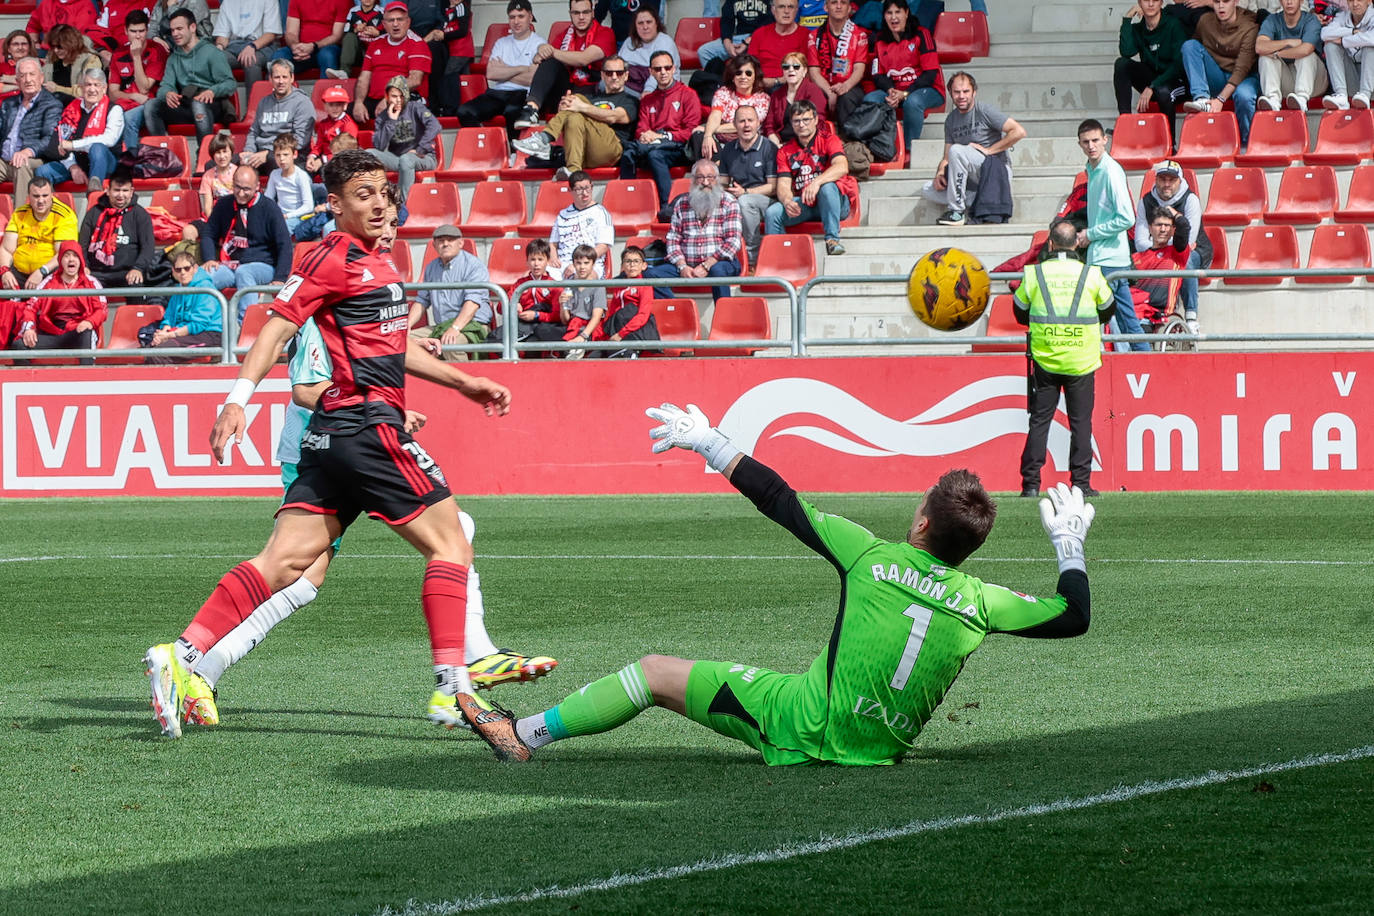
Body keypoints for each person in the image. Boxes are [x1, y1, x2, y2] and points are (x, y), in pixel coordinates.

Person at [461, 401, 1096, 765]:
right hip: (878, 749)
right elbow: (1073, 616)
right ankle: (524, 734)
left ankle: (524, 734)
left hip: (802, 725)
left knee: (654, 671)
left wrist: (711, 443)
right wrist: (1069, 547)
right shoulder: (984, 602)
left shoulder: (870, 556)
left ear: (922, 520)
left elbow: (780, 500)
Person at [143, 148, 515, 742]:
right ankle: (454, 686)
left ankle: (182, 655)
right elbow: (277, 326)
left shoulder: (380, 264)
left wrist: (466, 382)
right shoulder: (332, 259)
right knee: (451, 543)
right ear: (335, 205)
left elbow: (396, 347)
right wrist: (237, 399)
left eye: (382, 193)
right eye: (361, 194)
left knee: (284, 562)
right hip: (367, 429)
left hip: (332, 440)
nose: (376, 204)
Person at [1015, 219, 1117, 497]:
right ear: (1076, 244)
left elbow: (1020, 311)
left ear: (1050, 244)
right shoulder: (1091, 275)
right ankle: (1081, 484)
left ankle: (1031, 485)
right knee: (1081, 423)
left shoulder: (1035, 275)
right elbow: (1108, 309)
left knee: (1039, 421)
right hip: (1081, 360)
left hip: (1046, 358)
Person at [1076, 118, 1149, 353]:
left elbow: (1127, 218)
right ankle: (1145, 360)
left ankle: (1105, 365)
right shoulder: (1095, 170)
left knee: (1094, 318)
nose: (1091, 146)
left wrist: (1091, 234)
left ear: (1105, 140)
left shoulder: (1109, 171)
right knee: (1126, 319)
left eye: (1095, 140)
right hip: (1105, 258)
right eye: (1086, 142)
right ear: (1079, 144)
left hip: (1107, 260)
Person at [921, 71, 1026, 228]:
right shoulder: (950, 120)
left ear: (974, 92)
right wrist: (940, 174)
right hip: (972, 177)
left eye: (966, 91)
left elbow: (1019, 131)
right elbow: (946, 158)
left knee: (957, 150)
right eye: (957, 92)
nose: (961, 96)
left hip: (994, 170)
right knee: (927, 189)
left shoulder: (984, 110)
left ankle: (956, 212)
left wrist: (989, 150)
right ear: (950, 93)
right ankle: (979, 201)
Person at [511, 54, 638, 177]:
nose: (614, 77)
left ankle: (544, 138)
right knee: (573, 115)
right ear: (602, 75)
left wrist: (581, 106)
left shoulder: (630, 100)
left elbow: (614, 117)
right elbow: (573, 113)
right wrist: (564, 109)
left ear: (626, 76)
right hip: (583, 152)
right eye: (609, 73)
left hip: (610, 151)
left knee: (577, 98)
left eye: (619, 73)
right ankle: (573, 170)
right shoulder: (591, 97)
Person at [766, 99, 858, 256]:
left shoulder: (829, 139)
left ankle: (832, 240)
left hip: (835, 202)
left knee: (827, 187)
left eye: (806, 120)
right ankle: (779, 258)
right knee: (773, 213)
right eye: (796, 121)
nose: (801, 125)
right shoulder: (785, 151)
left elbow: (842, 167)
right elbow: (783, 185)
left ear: (815, 120)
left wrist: (816, 183)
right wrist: (787, 201)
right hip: (807, 204)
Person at [200, 164, 294, 315]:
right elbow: (208, 234)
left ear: (257, 186)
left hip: (263, 265)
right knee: (200, 277)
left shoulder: (269, 208)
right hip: (230, 264)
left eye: (246, 189)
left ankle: (246, 325)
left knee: (244, 272)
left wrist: (280, 278)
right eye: (237, 187)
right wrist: (209, 258)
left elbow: (284, 245)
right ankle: (208, 324)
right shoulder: (224, 204)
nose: (241, 193)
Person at [619, 51, 701, 221]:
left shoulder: (688, 94)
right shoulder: (648, 100)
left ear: (674, 69)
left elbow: (690, 131)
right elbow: (641, 129)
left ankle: (667, 205)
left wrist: (661, 136)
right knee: (629, 154)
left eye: (667, 67)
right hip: (652, 146)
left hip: (679, 148)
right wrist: (645, 136)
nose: (663, 72)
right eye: (658, 68)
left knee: (653, 155)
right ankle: (626, 204)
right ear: (651, 72)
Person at [645, 158, 742, 302]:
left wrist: (707, 264)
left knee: (718, 271)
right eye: (700, 177)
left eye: (710, 177)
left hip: (719, 263)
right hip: (687, 264)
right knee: (649, 275)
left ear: (717, 179)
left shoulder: (729, 202)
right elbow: (673, 239)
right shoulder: (682, 204)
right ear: (693, 180)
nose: (705, 182)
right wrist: (682, 266)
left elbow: (733, 241)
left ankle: (724, 317)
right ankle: (678, 310)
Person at [510, 0, 618, 129]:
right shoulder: (564, 35)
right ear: (570, 14)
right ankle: (531, 109)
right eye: (576, 13)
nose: (581, 17)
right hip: (566, 88)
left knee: (552, 57)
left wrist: (550, 51)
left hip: (593, 92)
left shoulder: (605, 33)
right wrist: (542, 49)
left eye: (585, 12)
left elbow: (584, 58)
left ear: (593, 13)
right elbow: (540, 59)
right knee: (550, 62)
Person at [1133, 159, 1210, 333]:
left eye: (1171, 180)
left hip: (1196, 252)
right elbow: (1140, 242)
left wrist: (1158, 243)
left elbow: (1187, 241)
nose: (1166, 184)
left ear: (1180, 180)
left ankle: (1191, 316)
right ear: (1156, 180)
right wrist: (1162, 247)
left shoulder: (1190, 200)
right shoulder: (1145, 202)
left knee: (1186, 259)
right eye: (1162, 179)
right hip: (1156, 251)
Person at [145, 8, 238, 143]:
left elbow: (230, 84)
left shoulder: (212, 53)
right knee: (151, 106)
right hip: (186, 104)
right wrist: (167, 93)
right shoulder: (173, 58)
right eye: (172, 30)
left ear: (193, 27)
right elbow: (165, 86)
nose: (175, 34)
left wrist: (212, 91)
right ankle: (163, 154)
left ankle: (204, 155)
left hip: (211, 105)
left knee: (198, 104)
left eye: (179, 29)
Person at [10, 240, 106, 363]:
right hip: (52, 333)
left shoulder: (92, 282)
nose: (71, 259)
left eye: (75, 256)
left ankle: (86, 378)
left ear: (81, 260)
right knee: (18, 346)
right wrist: (29, 328)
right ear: (60, 260)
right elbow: (30, 307)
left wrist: (89, 322)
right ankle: (31, 380)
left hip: (79, 331)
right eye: (67, 256)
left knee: (87, 334)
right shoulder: (48, 282)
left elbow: (102, 310)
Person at [865, 0, 944, 146]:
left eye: (898, 12)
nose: (893, 17)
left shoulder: (922, 34)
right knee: (871, 99)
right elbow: (877, 75)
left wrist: (905, 93)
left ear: (906, 13)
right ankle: (879, 149)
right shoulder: (880, 39)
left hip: (927, 90)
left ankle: (909, 149)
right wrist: (890, 91)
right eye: (889, 13)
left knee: (912, 102)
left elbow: (930, 73)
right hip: (895, 91)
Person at [1181, 0, 1260, 143]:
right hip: (1218, 74)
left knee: (1244, 96)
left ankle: (1245, 144)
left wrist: (1220, 99)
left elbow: (1241, 70)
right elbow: (1194, 52)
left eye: (1226, 1)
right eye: (1217, 2)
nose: (1221, 6)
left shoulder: (1249, 27)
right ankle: (1201, 98)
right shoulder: (1205, 21)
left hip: (1244, 78)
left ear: (1235, 2)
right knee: (1189, 46)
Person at [455, 0, 542, 130]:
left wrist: (504, 71)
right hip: (497, 93)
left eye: (521, 16)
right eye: (512, 17)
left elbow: (533, 79)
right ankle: (486, 144)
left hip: (522, 94)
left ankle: (514, 150)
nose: (516, 21)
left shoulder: (539, 43)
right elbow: (491, 74)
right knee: (464, 111)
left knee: (513, 113)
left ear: (530, 17)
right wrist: (522, 68)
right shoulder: (501, 43)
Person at [412, 224, 494, 358]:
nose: (445, 244)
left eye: (450, 240)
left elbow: (472, 303)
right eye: (441, 241)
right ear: (434, 245)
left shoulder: (474, 265)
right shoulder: (431, 267)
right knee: (404, 340)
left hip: (471, 325)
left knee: (449, 343)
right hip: (441, 326)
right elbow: (422, 301)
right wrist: (406, 326)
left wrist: (455, 328)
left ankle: (461, 378)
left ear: (461, 243)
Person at [37, 69, 123, 192]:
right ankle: (50, 209)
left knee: (97, 147)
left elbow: (109, 140)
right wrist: (73, 167)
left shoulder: (115, 110)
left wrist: (73, 145)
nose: (92, 89)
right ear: (81, 88)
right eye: (88, 85)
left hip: (106, 164)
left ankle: (94, 190)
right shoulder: (72, 108)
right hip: (79, 162)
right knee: (42, 171)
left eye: (96, 85)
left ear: (104, 89)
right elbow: (58, 143)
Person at [1115, 0, 1187, 147]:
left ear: (1161, 2)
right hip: (1154, 80)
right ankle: (1125, 122)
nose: (1151, 4)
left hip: (1177, 81)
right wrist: (1128, 19)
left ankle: (1169, 144)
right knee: (1121, 64)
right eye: (1146, 0)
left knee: (1163, 92)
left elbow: (1178, 66)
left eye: (1155, 0)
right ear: (1139, 3)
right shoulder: (1138, 29)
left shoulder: (1173, 25)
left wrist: (1153, 86)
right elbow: (1127, 52)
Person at [716, 104, 777, 267]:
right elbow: (722, 181)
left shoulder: (769, 148)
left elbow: (773, 187)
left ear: (758, 123)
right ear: (734, 125)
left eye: (750, 120)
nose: (746, 125)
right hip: (736, 198)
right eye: (741, 121)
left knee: (745, 202)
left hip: (766, 202)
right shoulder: (728, 149)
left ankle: (751, 260)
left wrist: (745, 192)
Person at [353, 1, 432, 124]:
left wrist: (389, 99)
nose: (395, 24)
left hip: (405, 99)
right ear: (384, 24)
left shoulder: (418, 44)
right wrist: (358, 102)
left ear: (408, 22)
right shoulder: (375, 44)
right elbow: (364, 78)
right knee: (344, 113)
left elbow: (415, 80)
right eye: (391, 20)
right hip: (376, 100)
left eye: (400, 19)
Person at [78, 169, 158, 290]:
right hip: (96, 272)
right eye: (116, 190)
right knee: (82, 286)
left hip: (128, 272)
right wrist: (84, 266)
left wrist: (138, 268)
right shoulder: (94, 213)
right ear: (108, 191)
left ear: (131, 192)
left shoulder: (140, 214)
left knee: (138, 285)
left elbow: (148, 247)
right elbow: (82, 245)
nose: (121, 195)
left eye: (125, 190)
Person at [370, 75, 440, 212]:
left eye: (400, 96)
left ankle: (401, 206)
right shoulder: (384, 116)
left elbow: (435, 126)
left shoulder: (416, 108)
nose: (397, 100)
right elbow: (379, 146)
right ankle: (374, 199)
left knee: (406, 159)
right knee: (368, 154)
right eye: (393, 96)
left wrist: (420, 149)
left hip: (424, 157)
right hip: (398, 158)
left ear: (406, 95)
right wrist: (391, 121)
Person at [141, 249, 223, 363]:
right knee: (149, 350)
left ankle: (170, 380)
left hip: (210, 334)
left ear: (194, 268)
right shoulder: (178, 290)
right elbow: (168, 318)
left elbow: (199, 324)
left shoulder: (206, 289)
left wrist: (170, 335)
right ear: (173, 271)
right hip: (184, 333)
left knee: (160, 353)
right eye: (178, 270)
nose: (183, 272)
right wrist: (164, 332)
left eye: (187, 268)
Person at [0, 58, 61, 205]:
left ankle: (20, 222)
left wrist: (28, 151)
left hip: (34, 158)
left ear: (41, 77)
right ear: (17, 81)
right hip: (4, 160)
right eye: (23, 76)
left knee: (22, 164)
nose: (28, 80)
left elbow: (49, 139)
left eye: (32, 74)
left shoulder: (51, 104)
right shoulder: (9, 103)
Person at [0, 176, 79, 289]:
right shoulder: (19, 214)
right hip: (18, 272)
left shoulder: (64, 216)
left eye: (45, 196)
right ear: (29, 196)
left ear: (52, 195)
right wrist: (5, 271)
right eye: (36, 196)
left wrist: (42, 271)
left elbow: (63, 253)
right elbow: (6, 249)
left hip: (49, 272)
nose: (41, 201)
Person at [241, 59, 316, 174]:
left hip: (288, 155)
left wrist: (270, 153)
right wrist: (249, 152)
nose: (281, 81)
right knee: (224, 164)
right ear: (270, 79)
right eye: (277, 77)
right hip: (261, 153)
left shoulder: (302, 102)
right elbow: (254, 131)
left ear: (292, 78)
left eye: (284, 77)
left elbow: (300, 140)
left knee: (274, 161)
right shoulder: (264, 102)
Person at [109, 11, 169, 150]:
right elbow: (112, 93)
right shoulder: (118, 53)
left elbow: (144, 88)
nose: (137, 36)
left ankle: (131, 161)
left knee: (129, 118)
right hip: (125, 103)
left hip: (150, 103)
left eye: (141, 31)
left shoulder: (156, 50)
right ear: (125, 31)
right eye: (133, 31)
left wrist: (136, 56)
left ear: (147, 30)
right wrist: (132, 96)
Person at [807, 0, 869, 133]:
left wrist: (844, 87)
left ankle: (847, 142)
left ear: (849, 8)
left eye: (843, 3)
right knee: (813, 94)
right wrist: (830, 92)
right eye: (834, 2)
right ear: (825, 7)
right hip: (823, 86)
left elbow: (859, 70)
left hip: (850, 86)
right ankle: (816, 140)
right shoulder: (814, 36)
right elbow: (814, 72)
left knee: (846, 97)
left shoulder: (859, 35)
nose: (839, 6)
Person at [692, 53, 770, 159]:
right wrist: (707, 135)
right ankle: (713, 167)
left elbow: (745, 125)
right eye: (738, 73)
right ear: (733, 77)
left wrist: (710, 130)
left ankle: (719, 166)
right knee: (697, 134)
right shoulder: (723, 92)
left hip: (747, 141)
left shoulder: (763, 99)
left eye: (748, 73)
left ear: (755, 76)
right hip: (720, 142)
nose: (743, 77)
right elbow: (715, 115)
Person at [1255, 0, 1327, 111]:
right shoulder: (1272, 20)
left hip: (1314, 81)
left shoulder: (1311, 20)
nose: (1289, 2)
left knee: (1306, 55)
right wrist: (1288, 42)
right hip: (1288, 80)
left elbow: (1305, 49)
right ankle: (1273, 99)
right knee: (1265, 57)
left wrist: (1277, 53)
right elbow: (1260, 46)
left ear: (1301, 1)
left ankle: (1302, 99)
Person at [1129, 208, 1190, 329]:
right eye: (1158, 225)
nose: (1162, 229)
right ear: (1150, 229)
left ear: (1173, 230)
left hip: (1160, 316)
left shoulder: (1177, 254)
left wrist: (1174, 213)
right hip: (1136, 312)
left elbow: (1184, 227)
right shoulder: (1135, 258)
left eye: (1167, 226)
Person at [548, 169, 614, 278]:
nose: (585, 193)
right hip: (562, 265)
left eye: (587, 188)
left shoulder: (601, 213)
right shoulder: (563, 215)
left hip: (589, 264)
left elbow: (603, 246)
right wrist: (554, 258)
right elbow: (553, 244)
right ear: (570, 190)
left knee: (581, 276)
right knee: (534, 276)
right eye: (579, 189)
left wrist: (578, 263)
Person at [597, 242, 659, 356]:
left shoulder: (645, 286)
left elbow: (642, 316)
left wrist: (621, 334)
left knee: (627, 311)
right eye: (628, 261)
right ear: (622, 266)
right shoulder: (620, 285)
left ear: (644, 265)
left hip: (634, 332)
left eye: (636, 261)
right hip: (618, 331)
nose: (632, 265)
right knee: (593, 358)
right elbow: (612, 313)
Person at [763, 49, 828, 146]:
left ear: (805, 71)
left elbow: (819, 122)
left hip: (807, 142)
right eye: (786, 67)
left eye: (796, 67)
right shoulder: (777, 94)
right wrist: (773, 139)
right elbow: (769, 124)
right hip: (780, 143)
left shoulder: (814, 91)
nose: (791, 70)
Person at [421, 0, 475, 115]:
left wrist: (444, 36)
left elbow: (463, 30)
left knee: (449, 78)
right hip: (454, 51)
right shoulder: (448, 10)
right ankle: (465, 108)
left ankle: (451, 110)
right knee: (461, 78)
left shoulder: (461, 7)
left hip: (461, 50)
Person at [213, 0, 282, 86]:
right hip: (234, 47)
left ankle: (255, 99)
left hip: (261, 46)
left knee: (250, 61)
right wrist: (219, 47)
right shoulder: (227, 2)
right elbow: (222, 34)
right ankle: (225, 98)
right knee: (215, 60)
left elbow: (270, 34)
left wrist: (252, 46)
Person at [514, 237, 566, 350]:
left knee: (539, 336)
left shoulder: (554, 286)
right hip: (523, 324)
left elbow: (557, 316)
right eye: (532, 259)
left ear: (547, 261)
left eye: (540, 259)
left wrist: (537, 315)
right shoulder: (520, 283)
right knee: (495, 337)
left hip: (545, 325)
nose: (536, 264)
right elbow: (500, 307)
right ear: (527, 261)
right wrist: (513, 304)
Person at [272, 0, 348, 77]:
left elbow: (337, 36)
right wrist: (295, 47)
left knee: (327, 55)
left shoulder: (342, 1)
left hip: (326, 48)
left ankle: (328, 88)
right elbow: (291, 32)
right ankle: (278, 88)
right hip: (301, 50)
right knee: (280, 55)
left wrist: (313, 46)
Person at [1321, 0, 1374, 109]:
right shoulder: (1343, 16)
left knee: (1370, 47)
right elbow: (1325, 34)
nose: (1355, 4)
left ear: (1368, 1)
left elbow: (1372, 38)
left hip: (1372, 84)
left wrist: (1344, 41)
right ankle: (1341, 96)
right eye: (1351, 0)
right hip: (1352, 80)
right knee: (1330, 45)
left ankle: (1365, 94)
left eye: (1359, 0)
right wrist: (1352, 31)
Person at [747, 0, 812, 90]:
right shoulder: (760, 33)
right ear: (773, 10)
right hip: (760, 86)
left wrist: (777, 81)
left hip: (791, 87)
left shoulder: (806, 35)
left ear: (796, 10)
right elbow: (750, 66)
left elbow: (807, 72)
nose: (786, 11)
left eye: (791, 7)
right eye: (781, 7)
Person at [699, 0, 775, 74]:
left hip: (762, 37)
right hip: (739, 39)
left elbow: (769, 22)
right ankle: (719, 84)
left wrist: (747, 42)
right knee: (704, 52)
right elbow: (727, 20)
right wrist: (727, 43)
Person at [557, 242, 605, 358]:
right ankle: (573, 350)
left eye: (586, 263)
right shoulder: (569, 284)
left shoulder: (599, 286)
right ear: (573, 264)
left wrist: (583, 336)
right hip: (573, 325)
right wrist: (562, 305)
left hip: (589, 328)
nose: (582, 267)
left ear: (593, 264)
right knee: (543, 330)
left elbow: (596, 317)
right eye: (578, 263)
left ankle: (578, 348)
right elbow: (565, 320)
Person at [616, 7, 678, 96]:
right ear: (635, 26)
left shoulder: (665, 42)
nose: (645, 27)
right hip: (632, 86)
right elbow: (619, 67)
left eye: (649, 22)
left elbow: (661, 71)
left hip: (659, 88)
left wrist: (648, 91)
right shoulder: (629, 42)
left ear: (656, 23)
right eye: (640, 23)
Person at [40, 26, 102, 107]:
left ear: (71, 44)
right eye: (53, 46)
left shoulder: (91, 60)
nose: (56, 50)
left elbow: (89, 90)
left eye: (60, 47)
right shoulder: (52, 59)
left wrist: (58, 89)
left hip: (80, 107)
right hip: (53, 106)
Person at [266, 134, 316, 236]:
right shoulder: (274, 174)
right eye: (278, 155)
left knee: (281, 228)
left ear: (294, 154)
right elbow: (268, 198)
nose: (282, 159)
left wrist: (287, 216)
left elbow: (308, 206)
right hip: (280, 215)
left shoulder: (301, 176)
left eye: (285, 155)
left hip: (298, 216)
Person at [308, 85, 360, 173]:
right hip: (324, 159)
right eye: (331, 105)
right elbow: (319, 145)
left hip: (341, 162)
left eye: (338, 105)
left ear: (345, 106)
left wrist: (322, 160)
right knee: (306, 168)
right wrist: (312, 157)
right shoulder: (323, 123)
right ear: (325, 106)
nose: (335, 108)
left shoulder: (348, 124)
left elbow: (346, 151)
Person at [336, 0, 384, 76]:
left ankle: (380, 74)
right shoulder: (353, 11)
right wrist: (356, 30)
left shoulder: (382, 12)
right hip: (358, 51)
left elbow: (391, 33)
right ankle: (344, 72)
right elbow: (345, 33)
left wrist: (378, 33)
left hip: (375, 51)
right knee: (349, 37)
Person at [26, 0, 98, 49]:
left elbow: (80, 35)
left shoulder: (85, 4)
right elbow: (32, 27)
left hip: (73, 51)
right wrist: (34, 43)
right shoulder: (46, 2)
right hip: (47, 50)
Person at [198, 132, 237, 216]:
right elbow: (208, 208)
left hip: (235, 214)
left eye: (225, 151)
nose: (222, 156)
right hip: (216, 216)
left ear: (231, 153)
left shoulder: (238, 173)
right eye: (218, 153)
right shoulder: (207, 176)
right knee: (189, 229)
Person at [0, 32, 33, 100]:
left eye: (24, 44)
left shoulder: (38, 64)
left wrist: (13, 80)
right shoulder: (2, 67)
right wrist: (19, 86)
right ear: (9, 49)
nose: (20, 47)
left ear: (29, 47)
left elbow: (41, 86)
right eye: (15, 44)